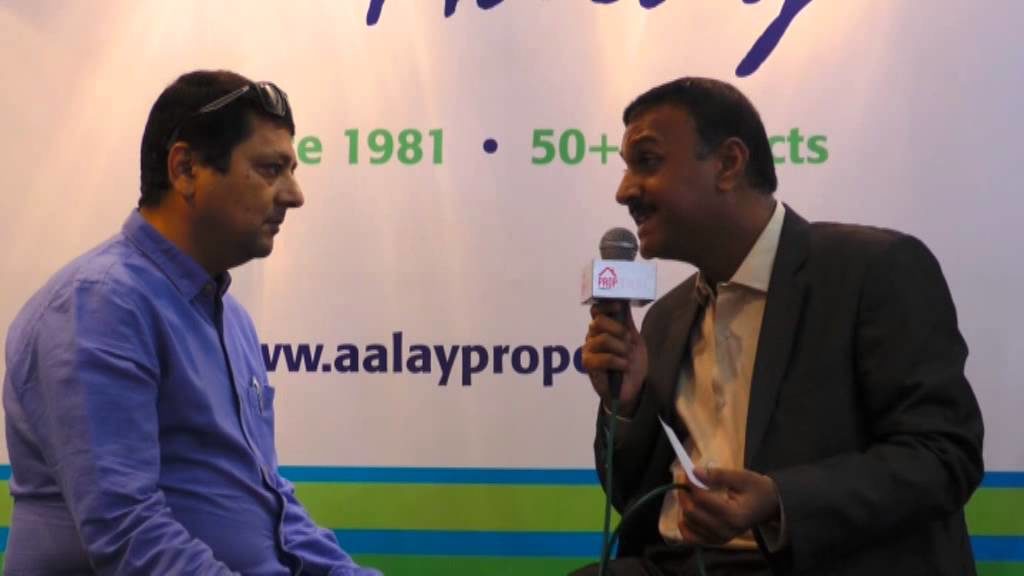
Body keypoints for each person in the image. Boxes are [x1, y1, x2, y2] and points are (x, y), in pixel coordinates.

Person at [575, 77, 984, 575]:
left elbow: (943, 456)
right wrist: (626, 406)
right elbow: (633, 500)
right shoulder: (665, 318)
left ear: (728, 163)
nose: (624, 192)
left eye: (647, 161)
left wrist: (778, 500)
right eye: (625, 168)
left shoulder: (874, 271)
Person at [3, 70, 379, 575]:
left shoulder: (230, 318)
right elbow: (128, 532)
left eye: (291, 170)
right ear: (185, 169)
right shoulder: (100, 305)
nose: (294, 195)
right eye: (271, 169)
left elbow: (273, 511)